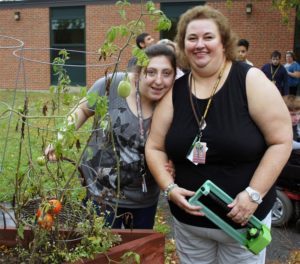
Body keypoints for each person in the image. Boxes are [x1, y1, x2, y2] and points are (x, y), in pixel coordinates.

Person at [145, 5, 292, 264]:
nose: (199, 44)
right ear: (183, 45)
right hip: (190, 228)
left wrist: (253, 194)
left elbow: (281, 141)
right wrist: (169, 188)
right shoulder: (176, 91)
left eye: (208, 37)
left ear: (224, 41)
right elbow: (154, 147)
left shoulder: (250, 80)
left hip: (244, 225)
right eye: (192, 38)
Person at [46, 44, 176, 229]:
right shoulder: (112, 84)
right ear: (139, 72)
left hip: (143, 199)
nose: (158, 80)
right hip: (100, 193)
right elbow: (83, 109)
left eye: (166, 73)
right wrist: (59, 139)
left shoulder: (174, 102)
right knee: (99, 251)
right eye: (151, 72)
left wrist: (172, 163)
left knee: (136, 249)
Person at [283, 95, 300, 165]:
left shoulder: (295, 123)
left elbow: (298, 131)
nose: (297, 118)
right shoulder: (279, 125)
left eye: (299, 114)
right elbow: (289, 143)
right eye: (292, 114)